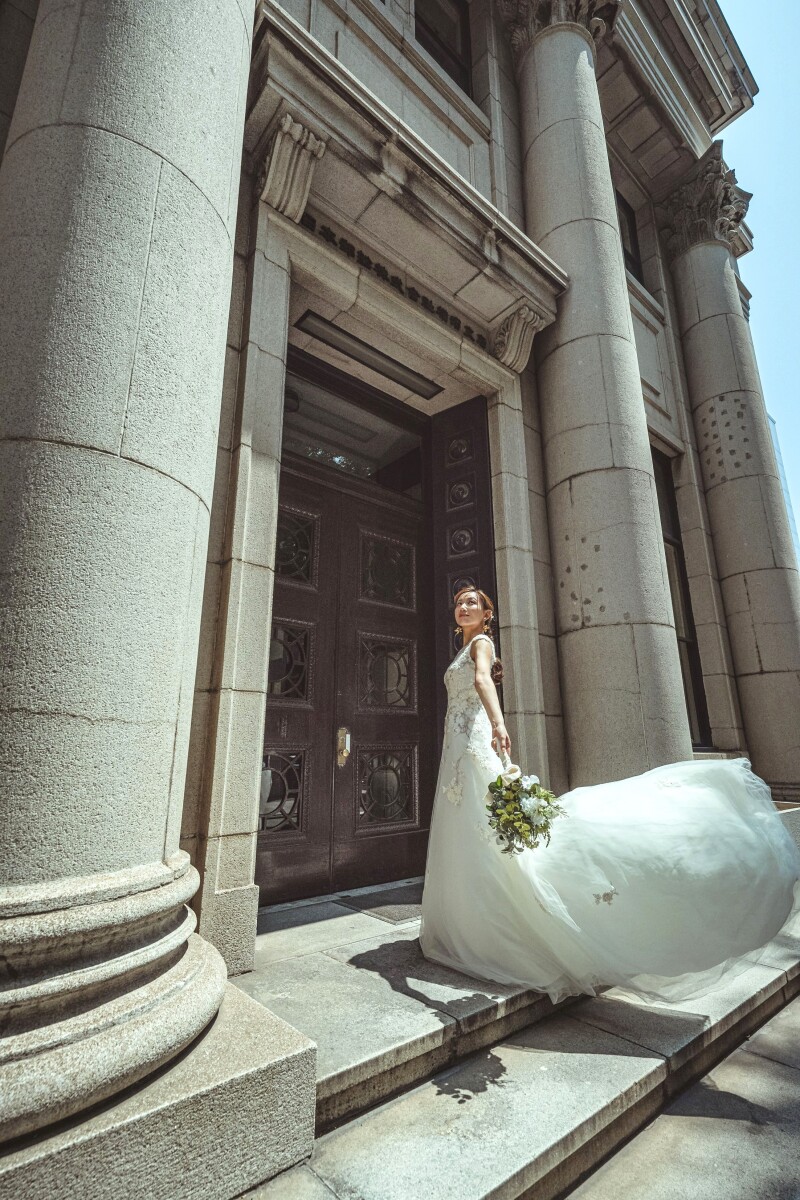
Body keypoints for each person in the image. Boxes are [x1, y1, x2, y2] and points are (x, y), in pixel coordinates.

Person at [419, 586, 800, 1004]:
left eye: (472, 602)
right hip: (457, 746)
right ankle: (469, 921)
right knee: (471, 831)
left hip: (475, 743)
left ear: (486, 613)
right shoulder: (464, 646)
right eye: (458, 602)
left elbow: (480, 682)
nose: (463, 607)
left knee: (490, 829)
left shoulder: (481, 643)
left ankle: (498, 925)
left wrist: (498, 724)